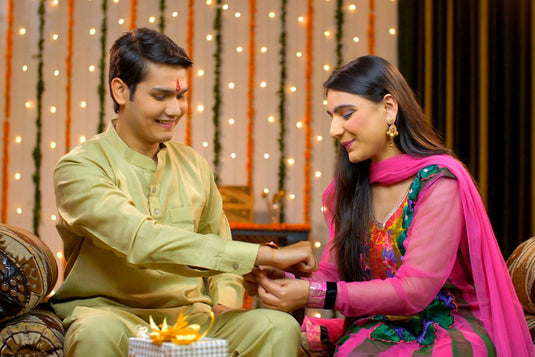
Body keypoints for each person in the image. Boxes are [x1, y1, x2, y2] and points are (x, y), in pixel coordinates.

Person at [50, 27, 317, 357]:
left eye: (181, 96)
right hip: (109, 315)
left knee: (277, 327)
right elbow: (142, 239)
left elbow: (218, 242)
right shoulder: (80, 168)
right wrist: (269, 256)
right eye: (160, 96)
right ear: (121, 91)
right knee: (96, 334)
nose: (175, 110)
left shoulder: (193, 165)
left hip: (191, 320)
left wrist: (225, 303)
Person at [246, 55, 534, 356]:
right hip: (380, 326)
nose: (334, 129)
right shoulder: (351, 188)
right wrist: (282, 279)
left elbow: (415, 291)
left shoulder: (439, 182)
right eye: (331, 116)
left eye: (346, 114)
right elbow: (332, 274)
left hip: (448, 327)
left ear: (388, 108)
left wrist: (313, 294)